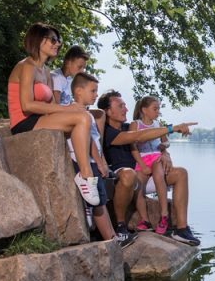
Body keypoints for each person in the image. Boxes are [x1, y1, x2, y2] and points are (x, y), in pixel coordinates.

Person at [7, 22, 100, 206]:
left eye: (59, 40)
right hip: (23, 122)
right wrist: (66, 110)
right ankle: (86, 176)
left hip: (39, 119)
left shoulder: (46, 71)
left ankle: (84, 174)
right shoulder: (27, 66)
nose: (58, 44)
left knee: (82, 116)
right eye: (53, 40)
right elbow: (26, 105)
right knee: (80, 117)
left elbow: (52, 105)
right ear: (38, 40)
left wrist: (71, 108)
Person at [97, 89, 200, 245]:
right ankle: (120, 227)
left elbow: (154, 137)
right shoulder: (107, 132)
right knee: (128, 174)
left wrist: (165, 154)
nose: (126, 108)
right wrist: (173, 128)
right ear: (108, 112)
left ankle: (182, 230)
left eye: (125, 105)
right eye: (120, 106)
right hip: (123, 177)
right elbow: (139, 136)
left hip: (144, 176)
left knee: (181, 173)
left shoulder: (128, 126)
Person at [68, 72, 136, 247]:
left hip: (91, 161)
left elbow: (94, 141)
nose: (96, 95)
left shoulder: (87, 114)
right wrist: (99, 161)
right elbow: (89, 142)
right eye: (93, 91)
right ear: (78, 91)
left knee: (100, 200)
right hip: (84, 161)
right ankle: (111, 239)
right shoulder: (74, 112)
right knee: (98, 199)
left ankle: (112, 238)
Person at [130, 96, 171, 235]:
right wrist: (142, 165)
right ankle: (144, 219)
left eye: (159, 108)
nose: (158, 111)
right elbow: (133, 147)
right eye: (155, 108)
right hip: (141, 159)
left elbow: (166, 142)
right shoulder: (135, 125)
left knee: (159, 176)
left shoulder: (158, 124)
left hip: (156, 156)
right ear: (144, 110)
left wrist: (163, 145)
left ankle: (164, 215)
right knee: (138, 188)